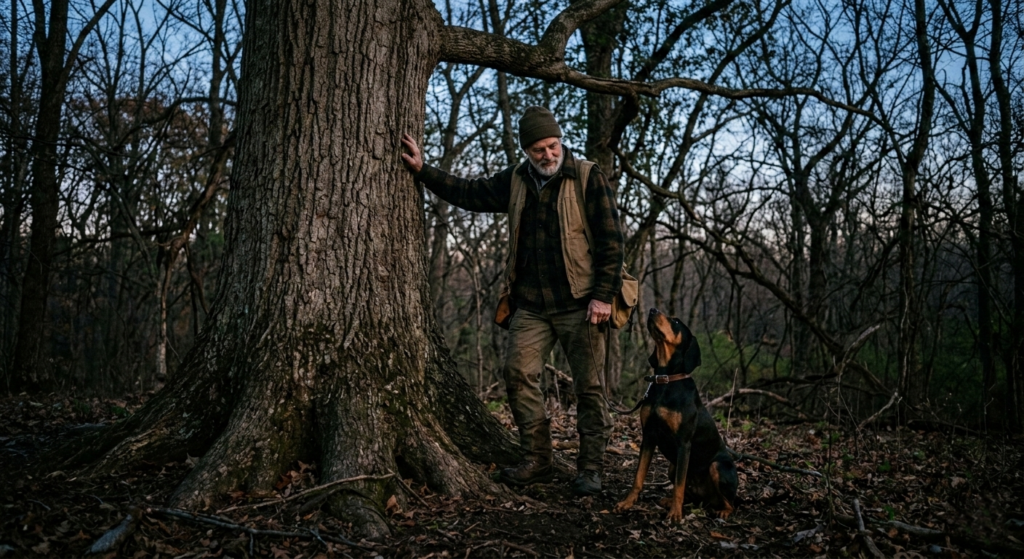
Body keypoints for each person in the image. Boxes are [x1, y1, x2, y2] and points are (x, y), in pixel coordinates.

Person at [401, 106, 624, 496]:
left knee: (589, 389)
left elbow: (611, 242)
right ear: (526, 151)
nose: (547, 155)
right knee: (517, 375)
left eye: (552, 146)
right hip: (532, 305)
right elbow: (470, 193)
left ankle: (591, 469)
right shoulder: (517, 180)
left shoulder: (588, 176)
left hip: (582, 303)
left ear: (560, 141)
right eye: (538, 149)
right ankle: (538, 460)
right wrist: (424, 170)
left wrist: (603, 296)